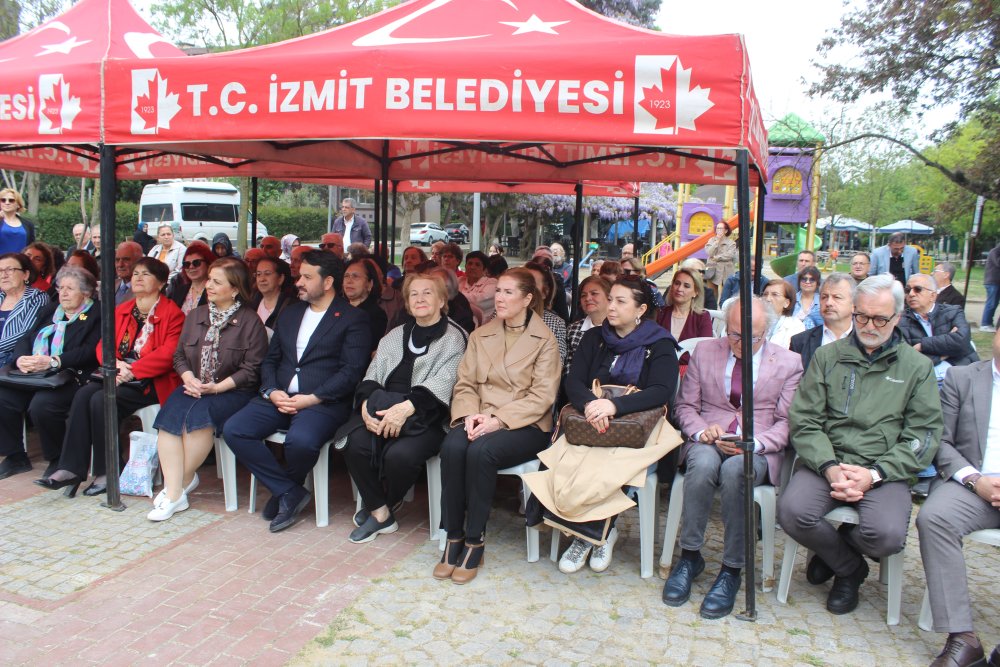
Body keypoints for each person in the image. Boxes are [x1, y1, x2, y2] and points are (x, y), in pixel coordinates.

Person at [777, 275, 942, 616]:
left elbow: (923, 435)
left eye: (880, 319)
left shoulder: (917, 367)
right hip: (829, 461)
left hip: (884, 470)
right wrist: (829, 467)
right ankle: (851, 568)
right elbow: (805, 420)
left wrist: (874, 474)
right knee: (792, 512)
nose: (869, 326)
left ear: (897, 317)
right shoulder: (828, 357)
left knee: (887, 536)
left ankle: (834, 553)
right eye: (862, 316)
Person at [666, 297, 802, 618]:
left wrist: (754, 443)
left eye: (751, 337)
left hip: (758, 446)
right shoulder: (705, 351)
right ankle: (690, 556)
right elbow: (685, 406)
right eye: (734, 333)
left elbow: (787, 422)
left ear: (767, 331)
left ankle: (732, 569)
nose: (740, 343)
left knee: (736, 470)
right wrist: (702, 431)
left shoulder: (789, 362)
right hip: (711, 437)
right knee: (702, 464)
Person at [223, 251, 370, 533]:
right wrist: (270, 391)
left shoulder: (353, 318)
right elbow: (270, 360)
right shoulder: (291, 313)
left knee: (301, 442)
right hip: (279, 397)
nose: (298, 282)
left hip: (322, 402)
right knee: (235, 430)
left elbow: (351, 371)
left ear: (328, 282)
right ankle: (288, 491)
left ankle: (285, 490)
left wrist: (312, 398)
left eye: (306, 277)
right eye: (299, 276)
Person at [435, 268, 560, 584]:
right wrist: (469, 415)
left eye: (508, 292)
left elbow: (542, 397)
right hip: (479, 416)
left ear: (527, 299)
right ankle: (453, 535)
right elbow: (465, 383)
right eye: (498, 291)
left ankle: (475, 539)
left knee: (481, 452)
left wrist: (499, 420)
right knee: (451, 446)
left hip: (525, 425)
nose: (499, 298)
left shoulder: (544, 340)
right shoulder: (481, 334)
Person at [554, 277, 679, 574]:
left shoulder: (659, 342)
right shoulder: (595, 337)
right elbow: (574, 381)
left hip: (637, 426)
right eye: (610, 299)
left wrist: (615, 406)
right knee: (573, 458)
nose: (611, 306)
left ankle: (592, 535)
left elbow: (661, 391)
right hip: (594, 419)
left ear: (641, 309)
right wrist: (591, 405)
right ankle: (596, 532)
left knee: (610, 464)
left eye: (621, 301)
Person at [339, 273, 468, 543]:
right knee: (353, 442)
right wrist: (365, 406)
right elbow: (372, 374)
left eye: (427, 293)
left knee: (401, 456)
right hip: (383, 408)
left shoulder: (454, 338)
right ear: (407, 303)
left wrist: (407, 408)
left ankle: (386, 502)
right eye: (413, 294)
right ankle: (381, 512)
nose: (420, 299)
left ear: (442, 300)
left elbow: (447, 381)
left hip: (428, 417)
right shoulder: (395, 334)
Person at [39, 259, 183, 496]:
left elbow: (169, 353)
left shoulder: (173, 314)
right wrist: (115, 364)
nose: (138, 278)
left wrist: (132, 370)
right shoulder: (123, 310)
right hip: (116, 373)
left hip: (150, 381)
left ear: (161, 283)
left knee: (101, 400)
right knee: (83, 395)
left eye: (145, 274)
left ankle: (108, 471)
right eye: (135, 273)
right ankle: (71, 468)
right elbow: (103, 344)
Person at [149, 258, 268, 520]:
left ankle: (174, 490)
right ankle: (177, 489)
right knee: (169, 419)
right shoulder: (196, 315)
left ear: (235, 289)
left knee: (200, 418)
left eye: (216, 281)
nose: (209, 286)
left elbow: (252, 370)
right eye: (209, 280)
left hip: (233, 391)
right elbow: (179, 356)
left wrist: (216, 388)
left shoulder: (250, 321)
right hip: (194, 385)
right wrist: (188, 377)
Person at [915, 329, 1000, 667]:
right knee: (934, 518)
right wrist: (975, 480)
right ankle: (963, 637)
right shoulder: (961, 377)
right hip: (973, 484)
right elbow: (940, 441)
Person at [0, 266, 100, 480]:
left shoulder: (96, 313)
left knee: (42, 405)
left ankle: (58, 458)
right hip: (37, 373)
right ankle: (16, 456)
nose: (63, 293)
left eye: (70, 288)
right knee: (3, 396)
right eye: (60, 288)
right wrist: (21, 358)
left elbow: (90, 351)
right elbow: (27, 337)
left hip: (70, 375)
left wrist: (55, 361)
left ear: (86, 292)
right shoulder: (52, 310)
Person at [897, 273, 978, 374]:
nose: (911, 294)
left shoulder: (953, 312)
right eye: (907, 290)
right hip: (924, 378)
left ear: (933, 295)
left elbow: (961, 342)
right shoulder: (900, 320)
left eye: (918, 289)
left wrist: (922, 345)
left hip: (962, 373)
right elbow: (907, 360)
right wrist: (944, 354)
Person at [789, 272, 855, 372]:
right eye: (824, 297)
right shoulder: (800, 342)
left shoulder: (865, 341)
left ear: (854, 305)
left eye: (837, 297)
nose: (828, 303)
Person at [0, 252, 50, 369]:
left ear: (26, 275)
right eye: (0, 271)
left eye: (10, 270)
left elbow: (26, 333)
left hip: (14, 360)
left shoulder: (37, 297)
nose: (3, 275)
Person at [655, 266, 712, 363]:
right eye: (677, 283)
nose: (679, 288)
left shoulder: (703, 317)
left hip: (690, 368)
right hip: (660, 364)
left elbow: (706, 351)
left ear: (696, 292)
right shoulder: (661, 313)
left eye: (686, 286)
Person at [524, 261, 568, 365]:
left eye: (532, 284)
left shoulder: (556, 324)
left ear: (545, 292)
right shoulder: (500, 315)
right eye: (522, 282)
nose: (524, 288)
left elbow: (555, 365)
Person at [565, 275, 611, 374]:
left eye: (594, 293)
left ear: (609, 297)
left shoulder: (619, 328)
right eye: (583, 295)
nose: (587, 298)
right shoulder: (573, 329)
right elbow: (568, 369)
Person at [343, 257, 388, 351]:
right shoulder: (338, 309)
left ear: (370, 284)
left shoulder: (376, 315)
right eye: (346, 276)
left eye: (355, 276)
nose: (349, 281)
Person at [169, 241, 214, 315]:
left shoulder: (214, 290)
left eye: (196, 263)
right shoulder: (179, 289)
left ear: (208, 263)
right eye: (186, 264)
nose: (191, 267)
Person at [251, 256, 294, 330]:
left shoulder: (291, 307)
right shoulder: (251, 304)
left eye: (267, 274)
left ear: (280, 279)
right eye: (258, 274)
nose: (262, 279)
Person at [761, 279, 805, 349]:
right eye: (765, 294)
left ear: (786, 303)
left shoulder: (795, 326)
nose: (768, 299)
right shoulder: (754, 321)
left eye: (775, 294)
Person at [458, 251, 497, 319]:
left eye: (477, 265)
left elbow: (480, 301)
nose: (472, 267)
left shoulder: (492, 283)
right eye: (470, 263)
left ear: (485, 270)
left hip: (483, 324)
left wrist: (455, 297)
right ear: (465, 266)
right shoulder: (459, 281)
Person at [0, 188, 35, 254]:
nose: (7, 203)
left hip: (21, 259)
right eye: (3, 200)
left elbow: (32, 247)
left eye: (11, 200)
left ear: (18, 204)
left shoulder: (28, 224)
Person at [704, 222, 736, 294]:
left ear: (726, 231)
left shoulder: (731, 243)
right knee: (712, 292)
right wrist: (716, 242)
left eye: (721, 228)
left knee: (727, 292)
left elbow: (730, 255)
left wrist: (717, 257)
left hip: (726, 270)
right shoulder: (711, 240)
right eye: (717, 228)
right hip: (713, 269)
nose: (718, 230)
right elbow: (709, 252)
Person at [111, 241, 144, 306]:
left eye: (126, 260)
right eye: (117, 260)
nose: (120, 265)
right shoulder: (108, 286)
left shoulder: (147, 290)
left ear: (140, 261)